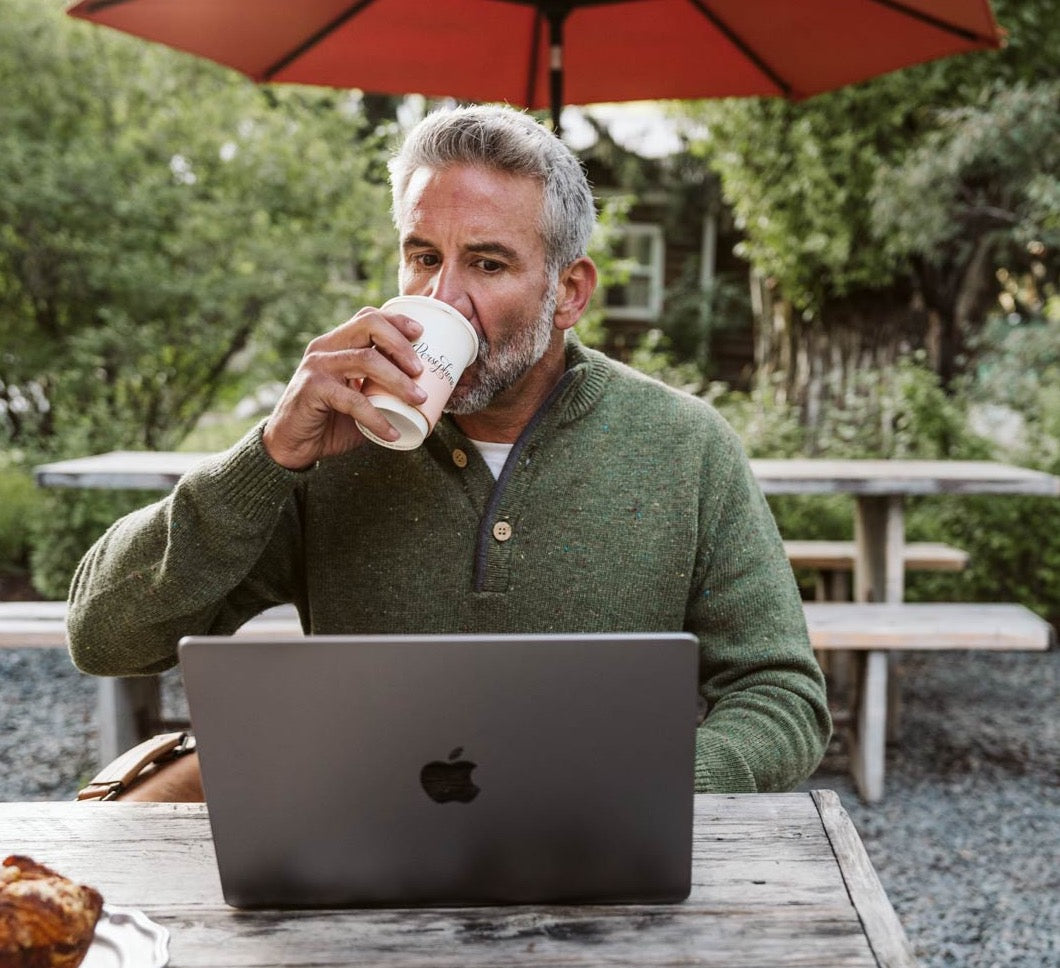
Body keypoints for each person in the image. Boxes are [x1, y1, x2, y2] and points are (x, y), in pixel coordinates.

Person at [67, 104, 830, 802]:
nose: (441, 299)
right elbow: (105, 638)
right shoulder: (331, 443)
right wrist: (271, 455)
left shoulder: (685, 446)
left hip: (601, 857)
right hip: (362, 836)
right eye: (423, 256)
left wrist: (651, 787)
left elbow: (782, 695)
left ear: (568, 292)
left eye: (488, 264)